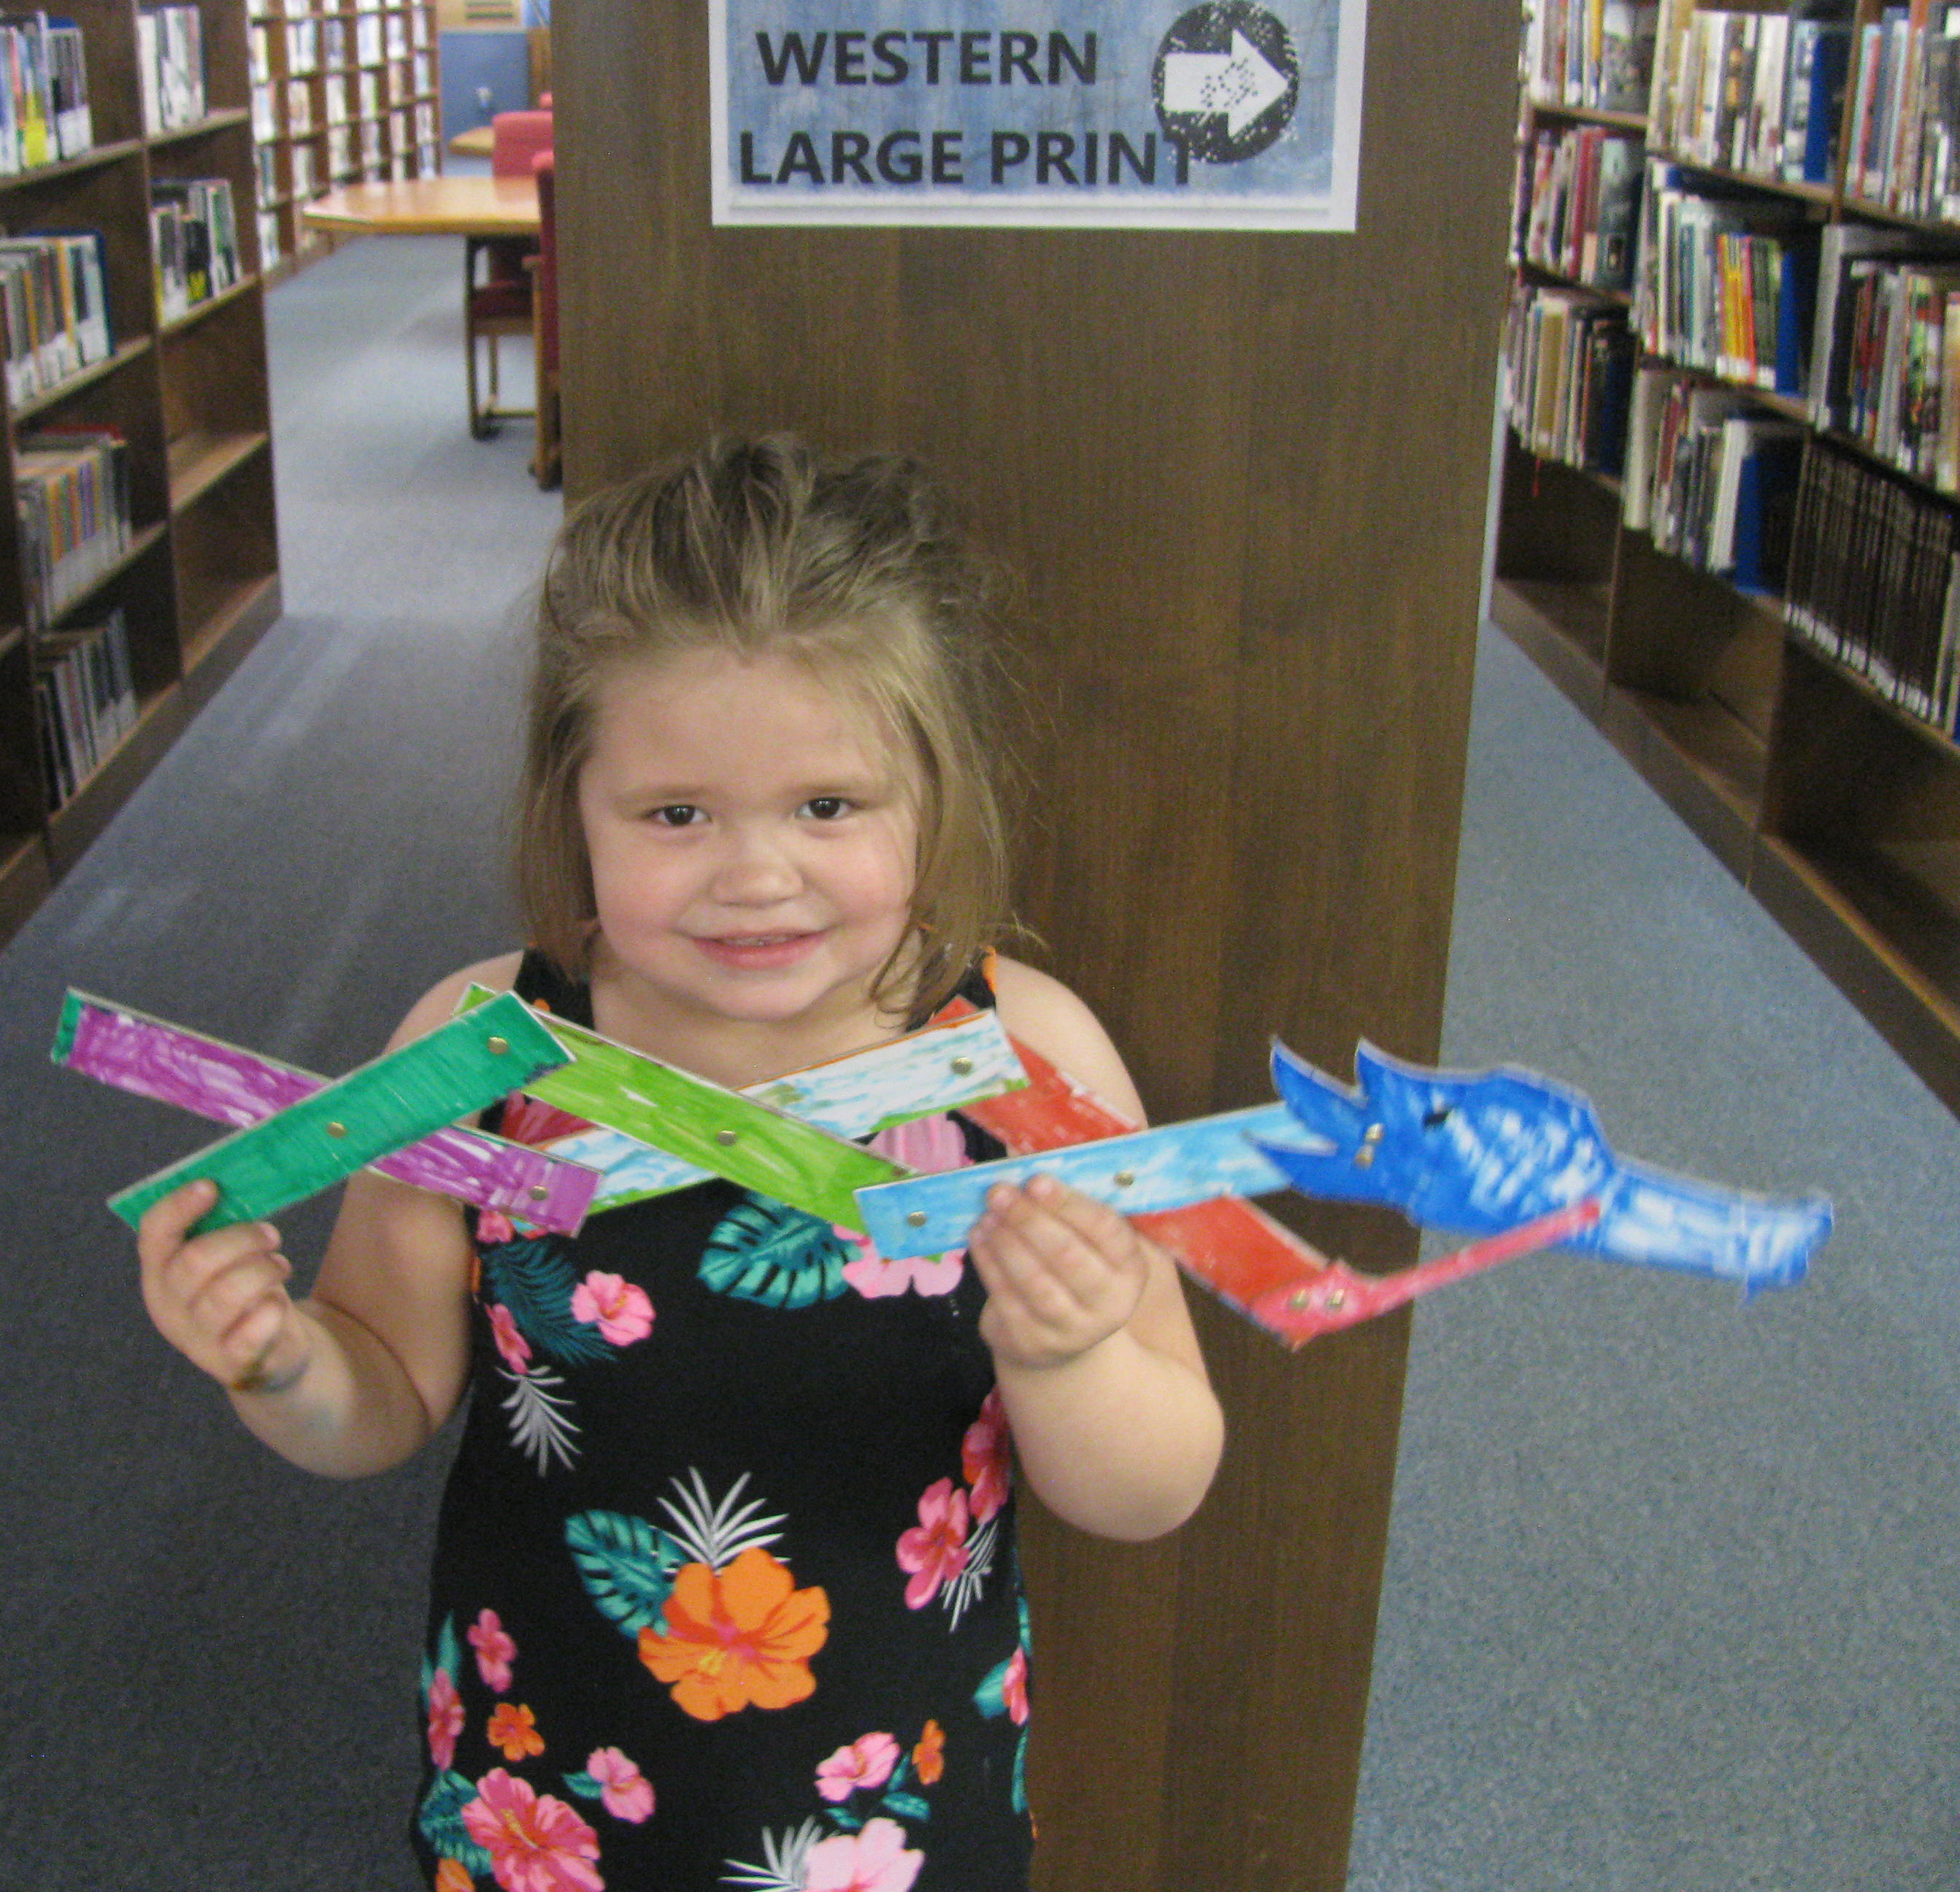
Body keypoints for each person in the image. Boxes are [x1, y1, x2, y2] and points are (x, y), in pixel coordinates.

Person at [137, 437, 1224, 1891]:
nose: (756, 876)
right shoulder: (481, 1056)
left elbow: (1154, 1489)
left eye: (829, 806)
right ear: (571, 804)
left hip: (895, 1804)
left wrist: (1069, 1352)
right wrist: (276, 1363)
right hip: (547, 1794)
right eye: (675, 815)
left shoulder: (1024, 1067)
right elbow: (381, 1391)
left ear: (935, 791)